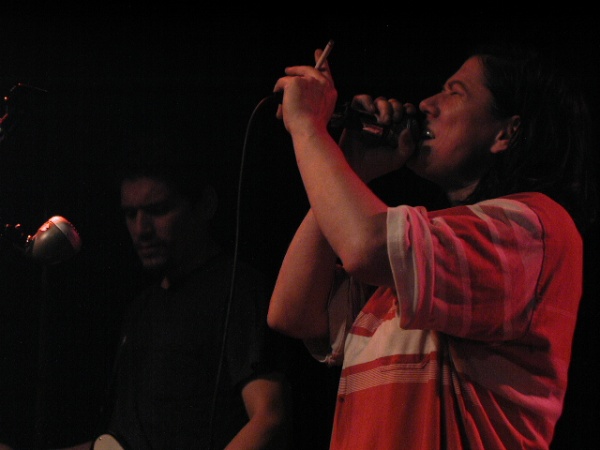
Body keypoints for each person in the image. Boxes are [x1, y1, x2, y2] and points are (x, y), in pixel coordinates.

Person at [266, 41, 597, 450]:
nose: (426, 104)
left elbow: (363, 245)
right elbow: (294, 312)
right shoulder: (423, 260)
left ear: (506, 133)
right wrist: (349, 165)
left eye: (455, 92)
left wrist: (308, 129)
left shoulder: (536, 228)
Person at [66, 131, 291, 449]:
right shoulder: (140, 309)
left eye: (158, 210)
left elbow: (269, 417)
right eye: (130, 214)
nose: (141, 229)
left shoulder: (237, 290)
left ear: (205, 205)